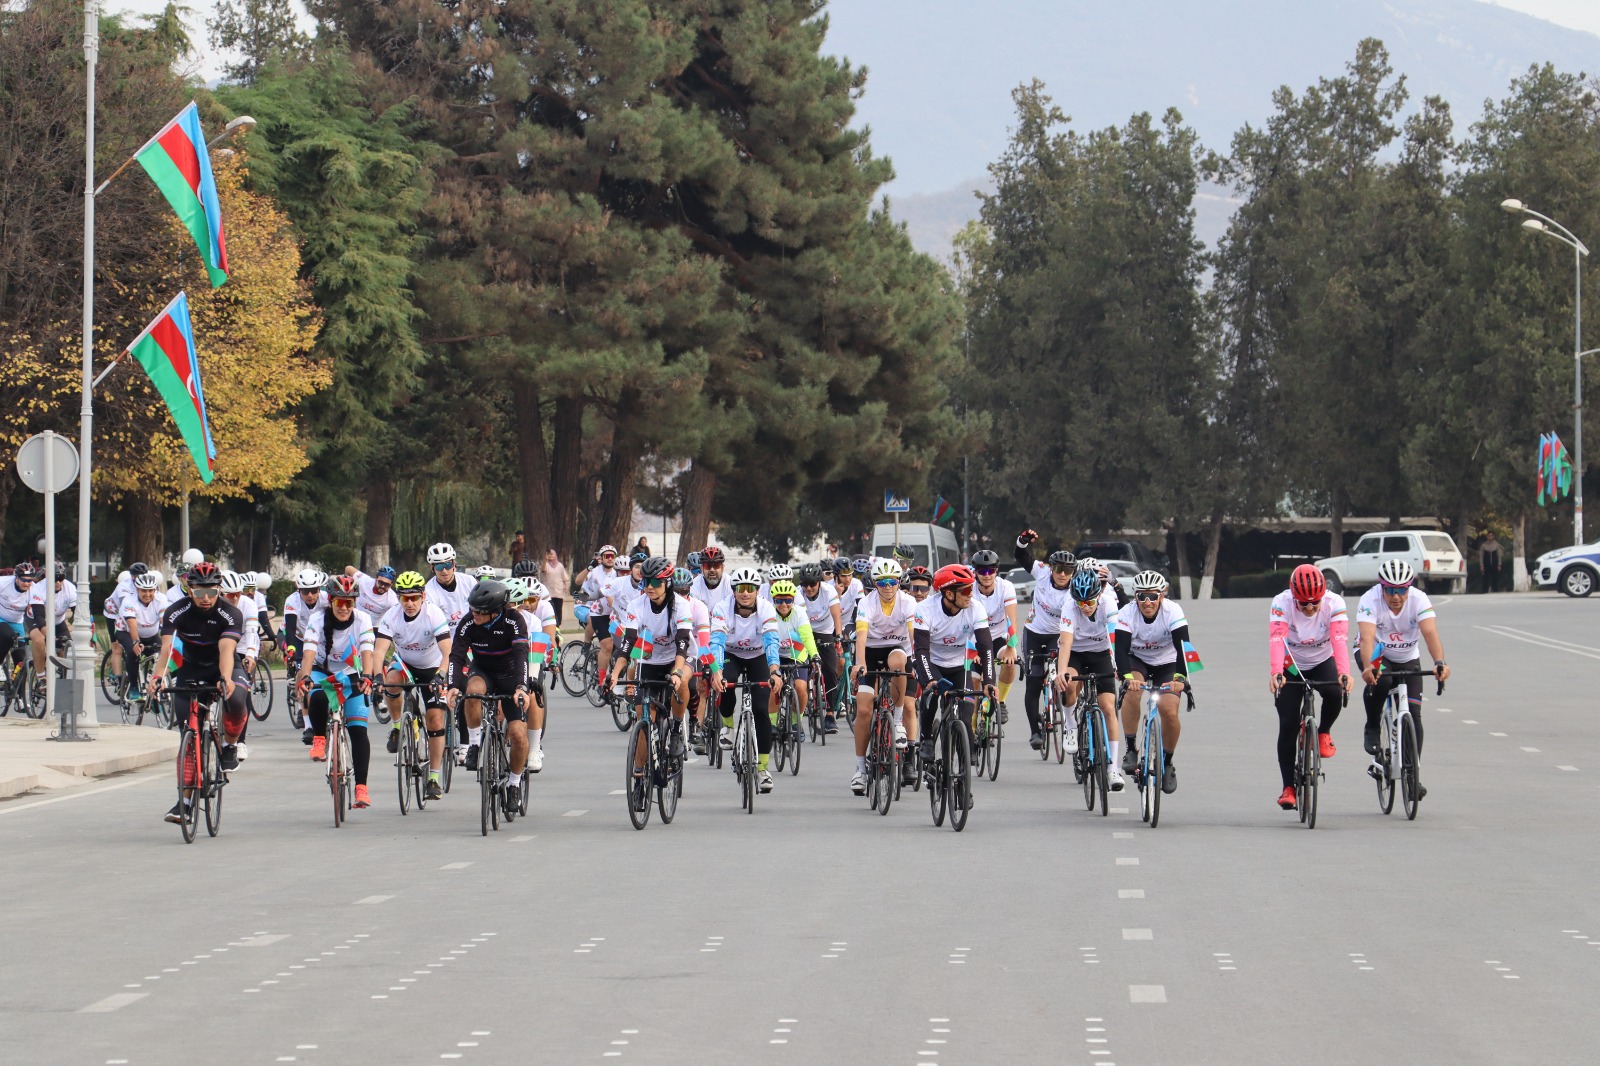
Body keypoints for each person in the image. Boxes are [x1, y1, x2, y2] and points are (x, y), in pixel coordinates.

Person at [149, 562, 243, 824]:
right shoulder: (176, 611)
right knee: (188, 736)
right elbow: (166, 649)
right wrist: (158, 677)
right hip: (191, 668)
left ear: (218, 590)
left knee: (237, 700)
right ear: (189, 590)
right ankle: (185, 801)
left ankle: (230, 746)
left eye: (211, 592)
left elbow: (226, 649)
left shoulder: (230, 613)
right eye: (199, 592)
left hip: (222, 667)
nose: (205, 598)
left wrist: (225, 678)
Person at [1356, 559, 1450, 787]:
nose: (1396, 596)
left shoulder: (1419, 600)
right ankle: (1372, 725)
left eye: (1401, 590)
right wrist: (1369, 667)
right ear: (1382, 588)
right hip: (1377, 654)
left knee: (1414, 716)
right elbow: (1367, 639)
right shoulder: (1369, 600)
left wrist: (1439, 662)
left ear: (1409, 588)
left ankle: (1412, 776)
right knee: (1382, 679)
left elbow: (1430, 634)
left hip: (1408, 657)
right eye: (1390, 590)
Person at [443, 580, 533, 810]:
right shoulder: (468, 622)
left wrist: (522, 687)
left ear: (495, 611)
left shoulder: (514, 620)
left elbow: (523, 654)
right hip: (483, 671)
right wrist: (452, 685)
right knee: (471, 691)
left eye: (479, 612)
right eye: (472, 609)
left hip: (511, 676)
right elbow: (456, 655)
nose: (474, 615)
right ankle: (474, 745)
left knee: (519, 734)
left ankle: (514, 784)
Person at [1268, 564, 1351, 810]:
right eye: (1303, 604)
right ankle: (1288, 788)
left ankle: (1323, 732)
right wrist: (1276, 672)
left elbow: (1339, 640)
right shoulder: (1281, 602)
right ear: (1293, 596)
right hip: (1291, 663)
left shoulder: (1335, 603)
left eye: (1315, 602)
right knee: (1288, 724)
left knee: (1336, 692)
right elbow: (1276, 639)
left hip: (1322, 659)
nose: (1310, 608)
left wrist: (1345, 672)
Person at [296, 575, 380, 809]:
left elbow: (367, 652)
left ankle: (361, 788)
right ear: (330, 601)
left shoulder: (363, 619)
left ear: (355, 604)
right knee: (319, 694)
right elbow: (309, 652)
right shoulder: (317, 618)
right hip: (322, 670)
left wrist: (368, 676)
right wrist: (304, 676)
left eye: (349, 603)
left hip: (351, 672)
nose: (344, 608)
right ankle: (320, 739)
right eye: (339, 603)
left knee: (358, 730)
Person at [910, 565, 996, 792]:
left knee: (966, 718)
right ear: (949, 594)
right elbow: (920, 652)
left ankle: (963, 781)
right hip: (932, 663)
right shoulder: (925, 610)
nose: (971, 594)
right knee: (931, 696)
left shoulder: (975, 608)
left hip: (960, 666)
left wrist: (989, 681)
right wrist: (930, 681)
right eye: (966, 591)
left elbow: (986, 648)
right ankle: (927, 738)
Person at [611, 558, 694, 785]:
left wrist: (677, 672)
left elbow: (683, 642)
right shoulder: (637, 605)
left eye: (656, 582)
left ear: (667, 583)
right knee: (644, 717)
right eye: (646, 581)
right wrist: (616, 673)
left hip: (677, 657)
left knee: (683, 681)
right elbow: (628, 642)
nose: (649, 586)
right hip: (649, 661)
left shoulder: (681, 605)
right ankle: (639, 773)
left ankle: (677, 726)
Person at [375, 571, 454, 799]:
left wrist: (440, 675)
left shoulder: (433, 614)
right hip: (405, 665)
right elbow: (379, 651)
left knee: (435, 719)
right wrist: (377, 676)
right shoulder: (391, 616)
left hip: (432, 667)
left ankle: (434, 778)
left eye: (414, 598)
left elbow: (447, 652)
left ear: (423, 596)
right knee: (391, 682)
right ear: (398, 598)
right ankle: (398, 727)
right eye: (404, 598)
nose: (409, 603)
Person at [1115, 570, 1191, 795]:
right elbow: (1119, 649)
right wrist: (1127, 678)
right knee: (1133, 691)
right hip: (1137, 659)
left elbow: (1184, 648)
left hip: (1168, 662)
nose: (1147, 602)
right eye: (1142, 596)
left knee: (1169, 711)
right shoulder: (1127, 613)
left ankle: (1167, 762)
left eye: (1152, 596)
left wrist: (1180, 679)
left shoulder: (1173, 611)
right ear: (1135, 597)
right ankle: (1130, 749)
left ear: (1162, 596)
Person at [1054, 565, 1126, 792]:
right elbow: (1065, 641)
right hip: (1075, 652)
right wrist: (1061, 671)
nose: (1084, 607)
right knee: (1069, 683)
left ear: (1098, 595)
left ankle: (1113, 768)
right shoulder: (1069, 605)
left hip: (1101, 653)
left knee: (1108, 707)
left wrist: (1119, 667)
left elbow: (1115, 638)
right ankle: (1071, 725)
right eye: (1080, 602)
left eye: (1089, 602)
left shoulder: (1109, 603)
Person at [849, 559, 918, 796]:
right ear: (875, 584)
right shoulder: (866, 603)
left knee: (900, 662)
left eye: (892, 582)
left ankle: (897, 721)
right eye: (882, 582)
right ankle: (860, 769)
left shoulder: (908, 602)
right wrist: (859, 663)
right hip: (870, 651)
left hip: (897, 650)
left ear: (899, 582)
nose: (888, 587)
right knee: (864, 710)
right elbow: (861, 634)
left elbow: (912, 634)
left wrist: (918, 660)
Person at [708, 566, 779, 784]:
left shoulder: (767, 608)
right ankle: (728, 726)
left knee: (760, 709)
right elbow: (717, 642)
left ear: (757, 591)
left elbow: (771, 641)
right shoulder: (722, 608)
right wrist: (716, 671)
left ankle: (763, 769)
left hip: (758, 655)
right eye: (740, 588)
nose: (745, 593)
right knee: (725, 684)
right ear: (734, 590)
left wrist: (775, 669)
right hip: (731, 654)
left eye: (750, 588)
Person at [1014, 528, 1077, 751]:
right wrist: (1023, 542)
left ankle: (1064, 709)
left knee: (1060, 674)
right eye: (1059, 570)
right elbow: (1021, 556)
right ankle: (1035, 731)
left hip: (1057, 635)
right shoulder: (1041, 572)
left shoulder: (1075, 590)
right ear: (1052, 569)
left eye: (1067, 571)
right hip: (1034, 632)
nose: (1062, 575)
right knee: (1033, 681)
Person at [970, 550, 1019, 711]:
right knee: (975, 683)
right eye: (982, 571)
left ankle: (1001, 702)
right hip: (974, 639)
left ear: (996, 571)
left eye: (991, 570)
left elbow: (1011, 620)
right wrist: (972, 651)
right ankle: (974, 718)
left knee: (1010, 662)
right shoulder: (969, 589)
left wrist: (1011, 648)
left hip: (997, 637)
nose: (987, 575)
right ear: (975, 572)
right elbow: (964, 624)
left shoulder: (1006, 587)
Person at [797, 562, 842, 734]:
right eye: (805, 584)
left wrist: (837, 637)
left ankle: (830, 713)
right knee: (802, 671)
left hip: (825, 631)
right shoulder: (798, 593)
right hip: (804, 631)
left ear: (819, 583)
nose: (808, 588)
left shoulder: (828, 591)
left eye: (812, 584)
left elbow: (836, 615)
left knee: (830, 671)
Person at [25, 563, 76, 681]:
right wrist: (49, 636)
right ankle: (41, 677)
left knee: (66, 648)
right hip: (35, 619)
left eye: (61, 578)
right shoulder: (38, 588)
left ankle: (61, 678)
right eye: (55, 579)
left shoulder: (70, 588)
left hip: (57, 621)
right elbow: (39, 617)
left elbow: (77, 613)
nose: (58, 582)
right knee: (39, 640)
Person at [541, 549, 570, 624]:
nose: (550, 556)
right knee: (550, 609)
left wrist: (566, 586)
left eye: (552, 554)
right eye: (549, 554)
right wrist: (544, 560)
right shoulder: (546, 564)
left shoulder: (560, 565)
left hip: (558, 592)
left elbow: (565, 577)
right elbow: (543, 570)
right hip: (548, 592)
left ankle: (558, 626)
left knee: (558, 610)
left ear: (555, 555)